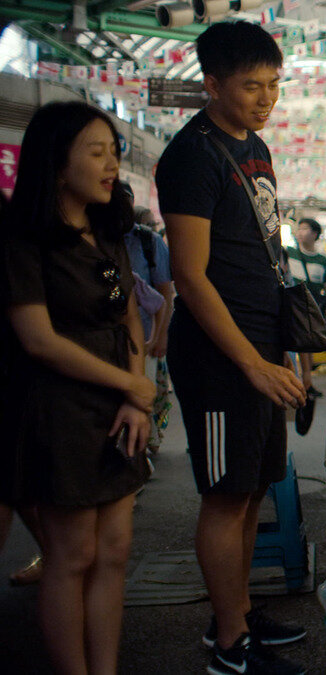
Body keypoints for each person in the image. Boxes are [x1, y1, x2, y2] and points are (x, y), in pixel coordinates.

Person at [155, 21, 307, 675]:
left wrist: (288, 349)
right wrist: (248, 360)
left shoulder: (255, 148)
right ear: (212, 84)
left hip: (264, 346)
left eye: (273, 85)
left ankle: (238, 614)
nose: (265, 98)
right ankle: (227, 646)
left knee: (250, 491)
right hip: (221, 357)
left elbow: (267, 256)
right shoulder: (192, 155)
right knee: (224, 495)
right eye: (251, 86)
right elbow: (189, 275)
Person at [1, 101, 152, 675]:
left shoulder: (108, 228)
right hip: (58, 408)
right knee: (72, 555)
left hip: (118, 405)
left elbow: (130, 317)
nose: (112, 163)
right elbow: (38, 340)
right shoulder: (24, 240)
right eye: (97, 152)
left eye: (114, 151)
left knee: (112, 554)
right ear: (55, 163)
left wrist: (135, 393)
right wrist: (131, 386)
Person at [125, 203, 175, 454]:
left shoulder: (148, 242)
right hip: (121, 344)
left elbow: (161, 298)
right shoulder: (93, 239)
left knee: (142, 397)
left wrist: (159, 336)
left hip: (142, 341)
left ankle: (142, 450)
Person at [285, 217, 326, 398]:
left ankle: (308, 381)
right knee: (304, 342)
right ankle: (306, 382)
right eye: (299, 229)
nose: (300, 232)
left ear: (315, 234)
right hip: (297, 304)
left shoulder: (322, 260)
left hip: (315, 307)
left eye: (304, 229)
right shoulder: (290, 253)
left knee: (311, 342)